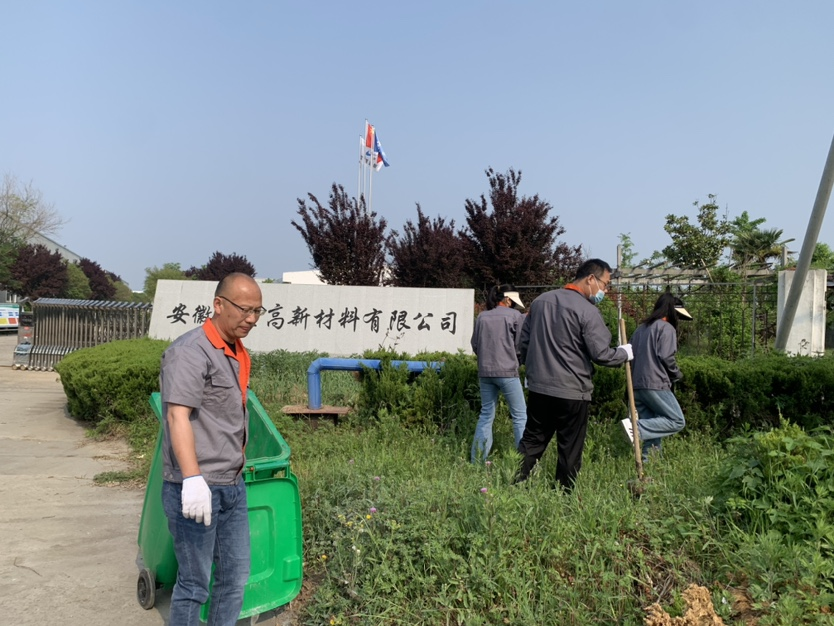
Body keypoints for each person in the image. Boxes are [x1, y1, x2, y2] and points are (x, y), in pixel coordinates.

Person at [159, 272, 264, 626]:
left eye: (257, 311)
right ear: (218, 304)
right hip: (196, 487)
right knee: (194, 583)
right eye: (244, 309)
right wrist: (192, 479)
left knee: (234, 578)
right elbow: (177, 416)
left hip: (231, 485)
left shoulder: (236, 350)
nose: (251, 319)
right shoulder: (191, 351)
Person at [516, 259, 633, 490]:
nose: (605, 290)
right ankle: (563, 495)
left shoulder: (540, 302)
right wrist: (623, 353)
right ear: (591, 279)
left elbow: (524, 343)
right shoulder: (588, 311)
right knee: (569, 448)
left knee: (532, 441)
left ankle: (513, 485)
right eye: (605, 284)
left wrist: (532, 370)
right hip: (573, 390)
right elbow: (601, 354)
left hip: (540, 388)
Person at [623, 292, 692, 462]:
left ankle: (650, 465)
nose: (678, 320)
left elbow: (629, 356)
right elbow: (666, 356)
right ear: (671, 311)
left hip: (637, 385)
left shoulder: (640, 329)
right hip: (656, 383)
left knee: (654, 430)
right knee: (676, 420)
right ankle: (635, 428)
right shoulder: (666, 328)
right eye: (677, 316)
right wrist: (677, 374)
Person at [470, 284, 527, 463]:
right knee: (520, 416)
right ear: (508, 299)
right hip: (508, 371)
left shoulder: (482, 316)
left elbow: (475, 345)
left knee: (486, 415)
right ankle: (523, 463)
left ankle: (477, 461)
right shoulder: (515, 316)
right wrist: (518, 361)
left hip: (485, 372)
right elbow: (521, 345)